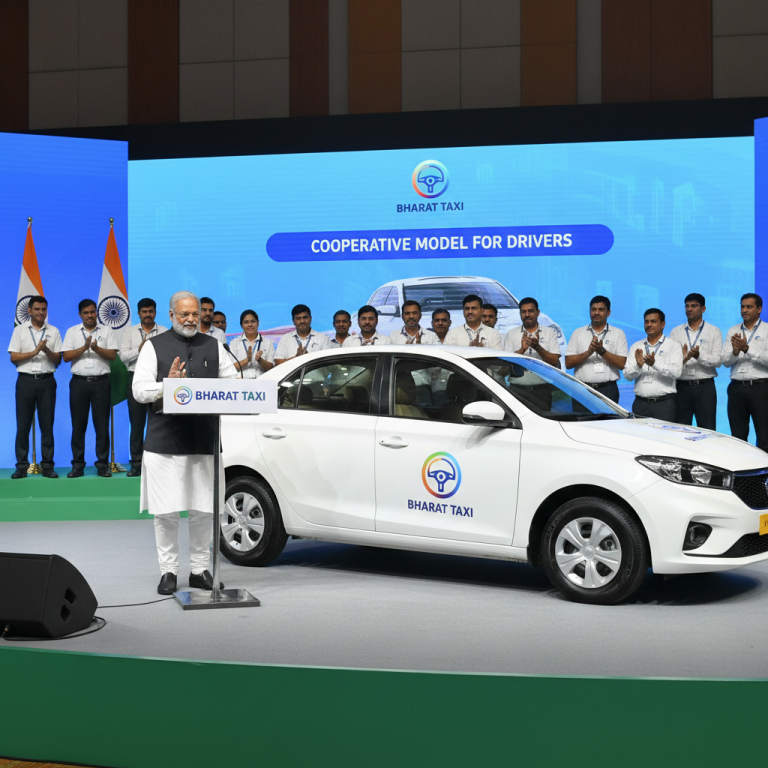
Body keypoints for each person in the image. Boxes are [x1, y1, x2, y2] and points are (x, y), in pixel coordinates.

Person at [132, 291, 237, 594]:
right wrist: (169, 386)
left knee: (203, 510)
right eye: (184, 315)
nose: (191, 319)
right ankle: (168, 572)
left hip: (204, 438)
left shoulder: (215, 346)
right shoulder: (153, 346)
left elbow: (232, 384)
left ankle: (199, 570)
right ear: (171, 315)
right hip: (165, 442)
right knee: (166, 512)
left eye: (195, 314)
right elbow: (139, 390)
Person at [62, 299, 118, 477]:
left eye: (92, 312)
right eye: (86, 313)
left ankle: (102, 465)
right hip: (78, 383)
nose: (89, 315)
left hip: (101, 382)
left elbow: (112, 355)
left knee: (102, 426)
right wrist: (85, 347)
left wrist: (95, 347)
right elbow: (66, 356)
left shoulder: (107, 330)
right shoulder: (72, 332)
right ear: (80, 315)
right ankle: (78, 465)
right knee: (78, 426)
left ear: (97, 313)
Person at [8, 295, 62, 479]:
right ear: (29, 311)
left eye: (44, 309)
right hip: (25, 382)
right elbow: (14, 358)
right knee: (22, 425)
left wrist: (46, 351)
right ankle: (21, 466)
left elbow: (58, 360)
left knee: (47, 426)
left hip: (47, 381)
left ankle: (47, 466)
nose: (41, 312)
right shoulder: (20, 331)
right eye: (37, 309)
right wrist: (34, 352)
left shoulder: (53, 331)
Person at [119, 298, 168, 477]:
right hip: (135, 380)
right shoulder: (130, 332)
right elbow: (123, 357)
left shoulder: (164, 332)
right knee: (137, 424)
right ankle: (136, 464)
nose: (148, 315)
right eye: (144, 312)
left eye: (151, 311)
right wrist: (140, 350)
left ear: (155, 312)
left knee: (160, 423)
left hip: (158, 380)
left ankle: (158, 464)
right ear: (138, 313)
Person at [722, 293, 768, 451]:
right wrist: (735, 352)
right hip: (736, 388)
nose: (744, 310)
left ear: (759, 309)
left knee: (765, 436)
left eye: (749, 307)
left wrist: (747, 349)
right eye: (742, 306)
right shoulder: (733, 331)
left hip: (761, 388)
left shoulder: (767, 330)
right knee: (737, 437)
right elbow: (725, 362)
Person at [669, 293, 722, 430]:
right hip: (681, 387)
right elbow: (670, 362)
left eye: (694, 306)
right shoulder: (676, 332)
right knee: (680, 430)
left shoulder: (714, 331)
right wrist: (684, 359)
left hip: (705, 387)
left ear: (703, 309)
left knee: (707, 429)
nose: (689, 309)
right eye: (687, 306)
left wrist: (699, 356)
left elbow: (718, 361)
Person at [564, 295, 628, 404]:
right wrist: (589, 352)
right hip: (582, 388)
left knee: (608, 421)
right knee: (582, 421)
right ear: (589, 311)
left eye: (601, 310)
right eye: (593, 309)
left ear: (608, 313)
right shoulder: (578, 333)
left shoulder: (618, 334)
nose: (596, 313)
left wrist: (601, 351)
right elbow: (568, 363)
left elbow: (622, 364)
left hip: (608, 389)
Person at [623, 308, 683, 420]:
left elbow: (677, 372)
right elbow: (627, 375)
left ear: (663, 324)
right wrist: (638, 366)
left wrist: (654, 364)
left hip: (664, 405)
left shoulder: (673, 345)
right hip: (640, 404)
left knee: (664, 437)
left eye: (653, 321)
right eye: (646, 322)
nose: (649, 325)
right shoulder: (636, 346)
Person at [503, 297, 561, 367]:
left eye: (530, 311)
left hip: (541, 377)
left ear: (538, 313)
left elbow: (554, 362)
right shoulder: (512, 334)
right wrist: (522, 350)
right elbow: (506, 365)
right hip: (519, 378)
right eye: (523, 312)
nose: (527, 315)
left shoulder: (550, 332)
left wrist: (538, 347)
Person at [234, 309, 275, 378]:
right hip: (240, 383)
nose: (250, 325)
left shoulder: (268, 342)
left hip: (262, 383)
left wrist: (260, 360)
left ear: (258, 323)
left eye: (253, 321)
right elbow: (231, 367)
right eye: (246, 322)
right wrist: (247, 360)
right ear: (241, 325)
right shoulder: (235, 343)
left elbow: (271, 368)